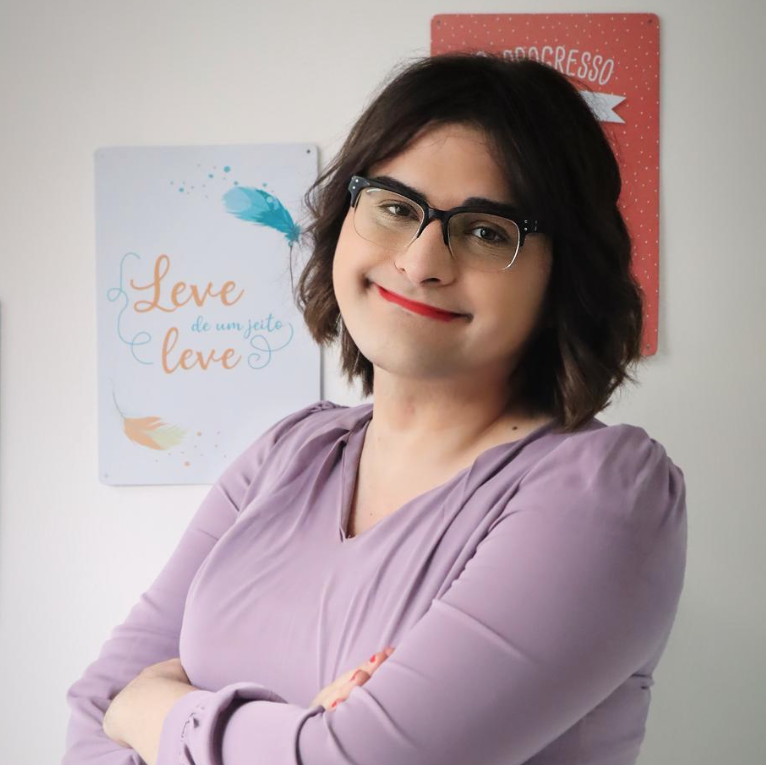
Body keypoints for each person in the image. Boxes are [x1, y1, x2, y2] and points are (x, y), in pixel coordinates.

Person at [62, 52, 687, 765]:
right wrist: (300, 736)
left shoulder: (606, 492)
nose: (422, 261)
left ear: (564, 274)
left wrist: (153, 709)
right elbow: (92, 717)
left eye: (487, 231)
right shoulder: (289, 453)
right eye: (395, 207)